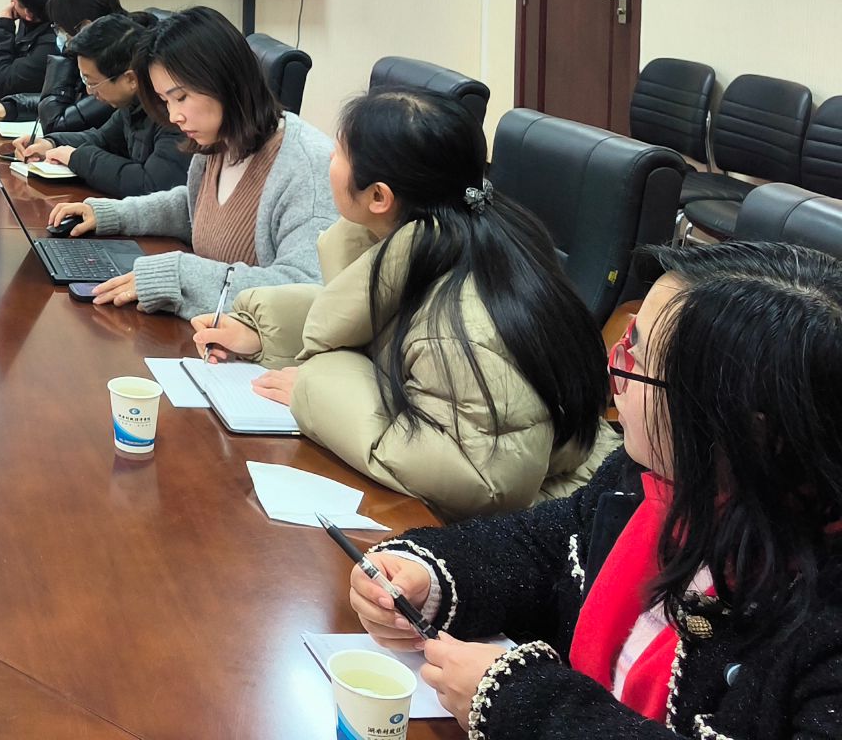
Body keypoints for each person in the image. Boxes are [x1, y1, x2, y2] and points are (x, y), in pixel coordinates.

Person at [346, 241, 842, 739]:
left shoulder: (822, 619)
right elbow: (549, 545)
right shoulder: (653, 477)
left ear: (742, 428)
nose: (613, 367)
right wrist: (429, 577)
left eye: (638, 359)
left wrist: (522, 702)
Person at [192, 87, 614, 520]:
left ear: (379, 197)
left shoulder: (464, 322)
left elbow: (478, 477)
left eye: (338, 153)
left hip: (562, 521)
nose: (327, 162)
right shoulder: (429, 237)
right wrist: (263, 333)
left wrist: (313, 389)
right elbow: (386, 326)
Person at [49, 6, 334, 318]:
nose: (174, 116)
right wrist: (112, 214)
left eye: (181, 97)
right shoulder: (217, 141)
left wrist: (181, 274)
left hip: (267, 360)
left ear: (225, 79)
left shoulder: (305, 166)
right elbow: (194, 206)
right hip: (212, 336)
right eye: (166, 101)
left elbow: (308, 291)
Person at [15, 12, 190, 198]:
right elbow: (102, 139)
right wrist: (51, 143)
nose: (89, 91)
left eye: (92, 82)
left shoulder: (172, 114)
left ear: (130, 79)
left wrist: (77, 158)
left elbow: (151, 184)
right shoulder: (134, 103)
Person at [0, 0, 123, 132]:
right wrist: (12, 108)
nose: (58, 34)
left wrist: (65, 57)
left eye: (60, 28)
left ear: (85, 27)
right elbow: (68, 100)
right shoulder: (99, 49)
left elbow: (56, 122)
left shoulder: (116, 67)